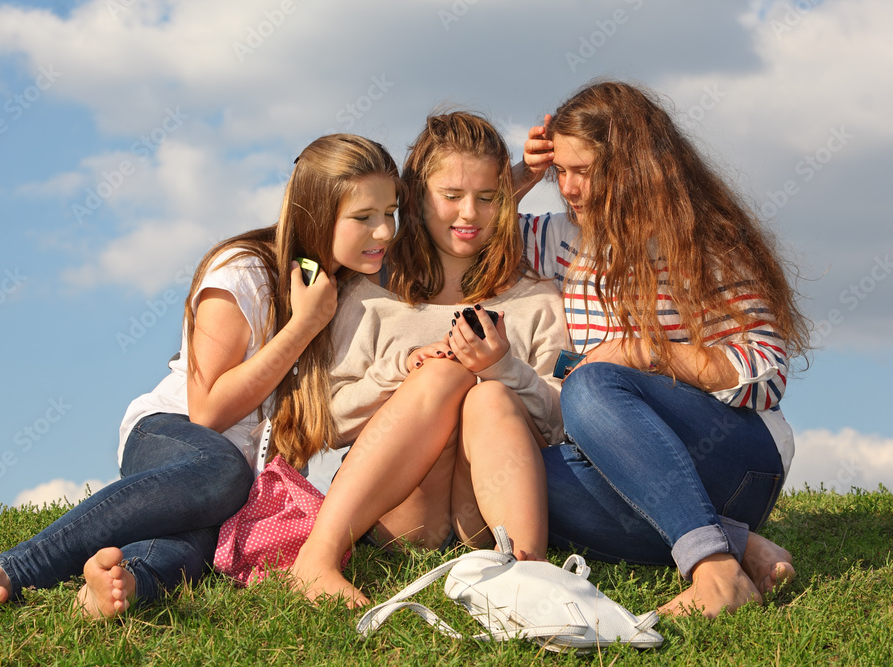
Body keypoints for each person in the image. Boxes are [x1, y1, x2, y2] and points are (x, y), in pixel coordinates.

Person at [0, 134, 400, 618]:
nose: (384, 233)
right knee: (222, 472)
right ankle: (12, 569)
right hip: (172, 433)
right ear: (316, 212)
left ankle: (118, 587)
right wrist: (303, 326)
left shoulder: (353, 295)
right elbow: (207, 411)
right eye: (364, 218)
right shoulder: (244, 269)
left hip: (239, 482)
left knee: (196, 545)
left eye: (390, 213)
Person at [515, 80, 811, 618]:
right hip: (632, 467)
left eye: (586, 171)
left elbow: (768, 374)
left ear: (634, 167)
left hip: (739, 459)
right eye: (561, 171)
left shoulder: (706, 241)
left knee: (591, 383)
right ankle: (734, 545)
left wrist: (646, 352)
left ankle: (714, 573)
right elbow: (464, 233)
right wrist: (523, 174)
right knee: (523, 482)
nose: (570, 188)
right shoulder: (563, 237)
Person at [288, 111, 569, 606]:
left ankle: (531, 575)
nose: (469, 215)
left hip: (491, 516)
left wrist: (504, 370)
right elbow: (327, 423)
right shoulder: (369, 296)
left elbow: (567, 419)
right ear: (416, 198)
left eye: (487, 199)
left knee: (490, 398)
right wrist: (402, 368)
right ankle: (319, 557)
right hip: (403, 516)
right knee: (441, 375)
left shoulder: (537, 296)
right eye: (452, 197)